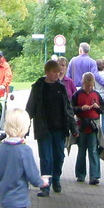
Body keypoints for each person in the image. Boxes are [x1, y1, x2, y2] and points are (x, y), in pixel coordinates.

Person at [26, 58, 75, 195]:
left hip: (60, 129)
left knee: (59, 156)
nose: (57, 75)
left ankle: (56, 179)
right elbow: (31, 107)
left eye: (58, 72)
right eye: (54, 72)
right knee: (46, 157)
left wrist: (74, 128)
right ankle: (45, 186)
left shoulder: (61, 88)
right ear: (47, 72)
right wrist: (25, 125)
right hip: (44, 129)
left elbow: (68, 109)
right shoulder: (38, 87)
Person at [73, 71, 104, 184]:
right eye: (87, 86)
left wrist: (97, 107)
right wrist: (81, 109)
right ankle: (80, 175)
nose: (89, 88)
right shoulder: (77, 94)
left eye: (91, 86)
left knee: (93, 150)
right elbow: (71, 108)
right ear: (83, 83)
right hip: (81, 126)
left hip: (93, 127)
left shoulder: (96, 94)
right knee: (81, 151)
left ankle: (94, 176)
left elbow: (103, 109)